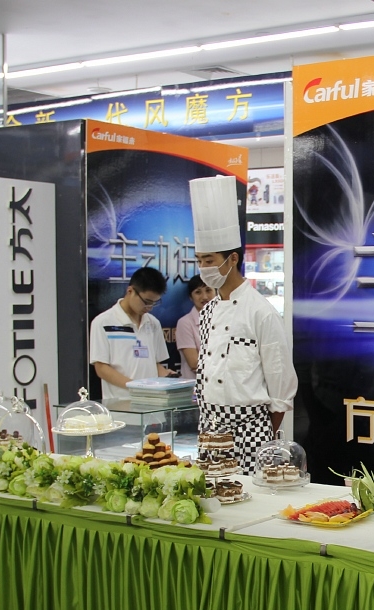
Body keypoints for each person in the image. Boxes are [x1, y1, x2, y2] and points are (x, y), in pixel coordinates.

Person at [191, 175, 298, 474]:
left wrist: (263, 434)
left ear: (232, 259)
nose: (203, 268)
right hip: (209, 428)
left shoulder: (261, 312)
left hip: (250, 430)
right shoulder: (207, 312)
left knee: (248, 497)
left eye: (209, 260)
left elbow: (281, 385)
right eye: (199, 260)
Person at [89, 267, 173, 403]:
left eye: (154, 303)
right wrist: (135, 387)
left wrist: (169, 378)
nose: (149, 308)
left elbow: (155, 364)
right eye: (146, 302)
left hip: (152, 404)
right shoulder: (103, 322)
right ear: (130, 291)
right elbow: (101, 368)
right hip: (120, 405)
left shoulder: (153, 323)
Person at [175, 274, 214, 380]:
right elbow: (194, 363)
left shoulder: (224, 319)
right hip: (195, 386)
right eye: (198, 292)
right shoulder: (185, 323)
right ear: (190, 297)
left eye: (208, 290)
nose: (204, 297)